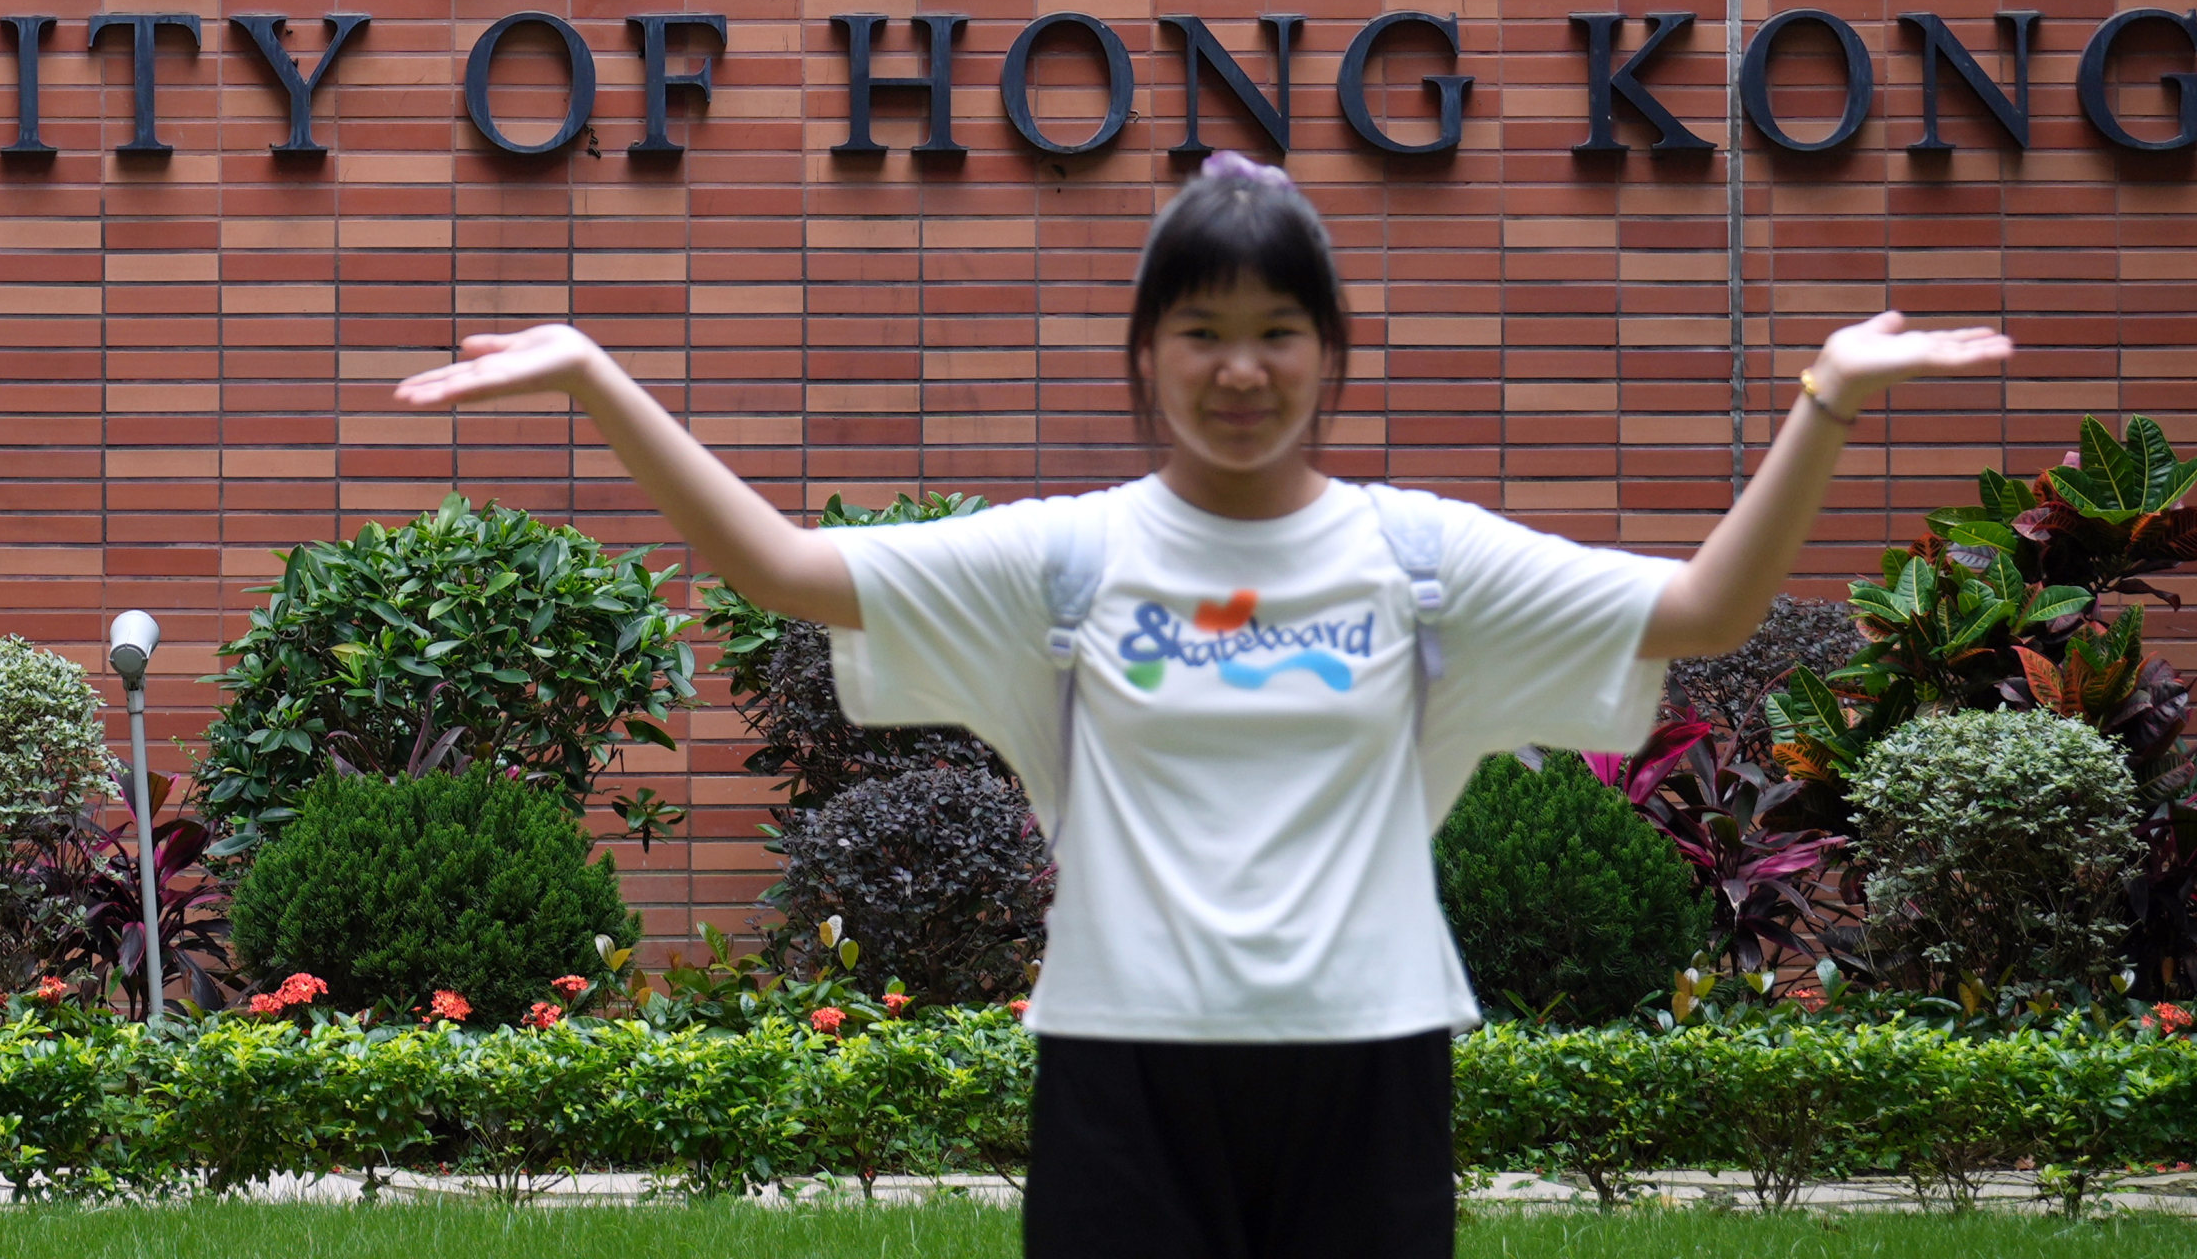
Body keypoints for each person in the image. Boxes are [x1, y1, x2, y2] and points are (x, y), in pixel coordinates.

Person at [395, 153, 2012, 1259]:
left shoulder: (1416, 557)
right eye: (1203, 331)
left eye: (1275, 331)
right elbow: (794, 568)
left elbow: (1700, 609)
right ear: (1146, 353)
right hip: (1125, 1062)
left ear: (1327, 350)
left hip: (1364, 1056)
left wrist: (1825, 399)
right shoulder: (1072, 557)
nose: (1241, 367)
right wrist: (601, 376)